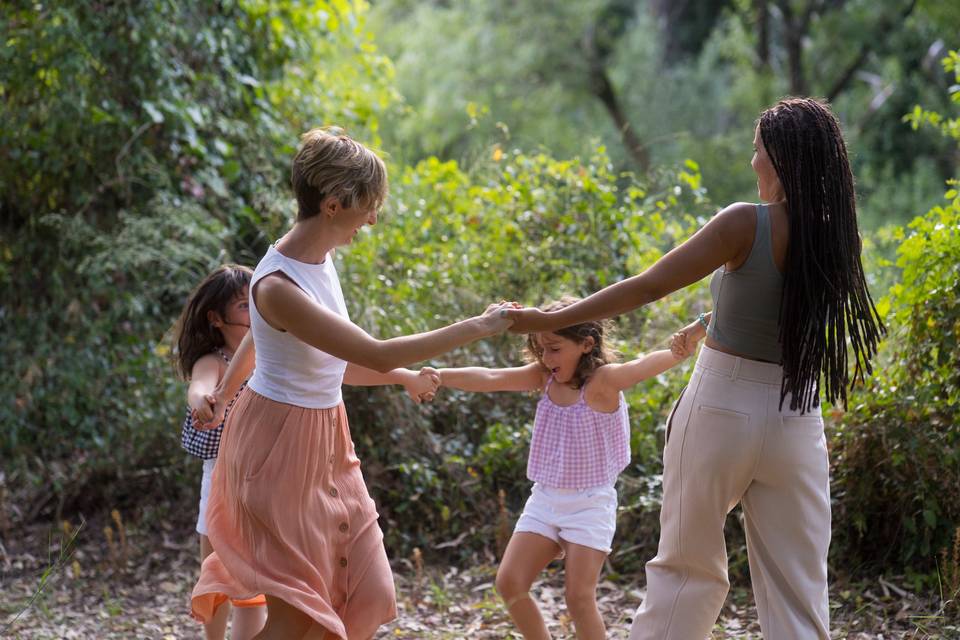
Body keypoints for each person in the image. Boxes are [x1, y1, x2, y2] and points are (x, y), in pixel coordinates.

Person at [506, 97, 884, 639]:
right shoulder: (834, 235)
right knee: (800, 591)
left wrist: (553, 316)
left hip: (721, 407)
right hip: (796, 417)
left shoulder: (742, 223)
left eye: (756, 151)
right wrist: (711, 315)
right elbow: (783, 307)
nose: (752, 161)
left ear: (777, 157)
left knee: (688, 574)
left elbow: (648, 285)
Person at [190, 127, 515, 640]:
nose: (374, 217)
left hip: (326, 438)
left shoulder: (318, 259)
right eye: (369, 205)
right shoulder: (277, 287)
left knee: (371, 595)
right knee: (298, 616)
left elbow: (320, 362)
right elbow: (373, 351)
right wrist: (477, 325)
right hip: (277, 449)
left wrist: (404, 378)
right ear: (335, 204)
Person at [421, 296, 696, 640]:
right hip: (546, 500)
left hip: (591, 503)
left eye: (553, 348)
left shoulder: (603, 383)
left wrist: (683, 345)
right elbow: (491, 376)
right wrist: (439, 376)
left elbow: (643, 366)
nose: (545, 359)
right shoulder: (544, 379)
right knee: (510, 583)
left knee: (579, 598)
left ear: (586, 344)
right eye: (540, 350)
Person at [173, 264, 267, 640]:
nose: (254, 313)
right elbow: (199, 386)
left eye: (255, 304)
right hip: (221, 484)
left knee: (254, 587)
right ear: (216, 319)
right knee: (215, 577)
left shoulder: (270, 356)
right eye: (244, 306)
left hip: (266, 482)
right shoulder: (214, 360)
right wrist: (203, 402)